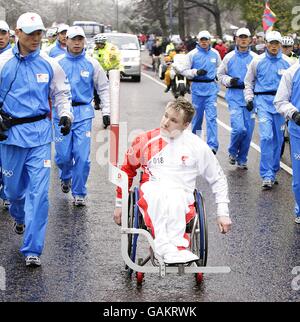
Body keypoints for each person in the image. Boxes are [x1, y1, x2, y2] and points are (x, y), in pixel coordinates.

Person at [113, 98, 231, 264]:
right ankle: (165, 248)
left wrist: (223, 213)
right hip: (152, 189)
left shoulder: (197, 146)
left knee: (176, 198)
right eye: (165, 116)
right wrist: (120, 205)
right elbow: (126, 171)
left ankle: (177, 248)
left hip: (181, 193)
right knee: (159, 195)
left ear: (186, 125)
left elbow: (218, 178)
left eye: (174, 120)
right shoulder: (145, 140)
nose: (166, 122)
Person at [0, 12, 73, 267]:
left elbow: (62, 93)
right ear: (16, 33)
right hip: (10, 135)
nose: (36, 38)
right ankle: (18, 217)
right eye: (30, 33)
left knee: (40, 194)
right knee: (12, 192)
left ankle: (33, 248)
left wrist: (65, 114)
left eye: (39, 33)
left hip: (41, 134)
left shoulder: (49, 62)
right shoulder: (3, 63)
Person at [54, 26, 110, 206]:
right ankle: (65, 176)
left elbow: (103, 88)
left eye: (80, 39)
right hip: (61, 113)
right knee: (63, 156)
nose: (77, 43)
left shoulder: (92, 63)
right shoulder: (57, 62)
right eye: (73, 39)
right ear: (66, 41)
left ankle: (79, 192)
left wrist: (107, 112)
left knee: (81, 155)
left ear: (84, 41)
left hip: (84, 113)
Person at [244, 31, 291, 189]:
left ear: (280, 45)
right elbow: (248, 82)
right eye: (271, 43)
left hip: (280, 106)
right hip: (263, 103)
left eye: (276, 43)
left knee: (278, 141)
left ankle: (273, 170)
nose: (273, 46)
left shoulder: (287, 62)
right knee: (266, 137)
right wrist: (249, 99)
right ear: (266, 43)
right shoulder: (257, 61)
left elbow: (294, 85)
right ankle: (267, 175)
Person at [218, 28, 258, 169]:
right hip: (234, 97)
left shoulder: (255, 58)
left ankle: (242, 159)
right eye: (240, 37)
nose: (243, 40)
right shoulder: (229, 57)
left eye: (245, 37)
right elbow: (220, 75)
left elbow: (260, 77)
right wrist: (230, 81)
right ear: (236, 39)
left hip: (250, 98)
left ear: (250, 40)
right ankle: (233, 152)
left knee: (248, 131)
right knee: (239, 129)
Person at [178, 30, 221, 154]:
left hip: (211, 89)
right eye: (202, 40)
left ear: (209, 40)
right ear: (198, 41)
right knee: (197, 119)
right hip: (197, 89)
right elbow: (183, 70)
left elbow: (220, 67)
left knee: (212, 118)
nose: (204, 42)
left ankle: (212, 146)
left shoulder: (215, 54)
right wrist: (195, 72)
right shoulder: (192, 54)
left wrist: (217, 76)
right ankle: (195, 142)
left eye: (206, 39)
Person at [274, 63, 300, 224]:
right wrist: (294, 113)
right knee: (299, 181)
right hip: (298, 131)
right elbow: (280, 101)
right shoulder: (292, 72)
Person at [0, 20, 12, 209]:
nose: (0, 38)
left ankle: (6, 193)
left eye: (3, 33)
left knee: (6, 160)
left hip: (9, 120)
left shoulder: (14, 57)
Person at [93, 34, 121, 110]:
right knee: (95, 87)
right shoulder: (94, 50)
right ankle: (97, 103)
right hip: (98, 71)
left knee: (108, 88)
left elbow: (117, 60)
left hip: (110, 71)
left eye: (100, 44)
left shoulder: (111, 48)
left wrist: (113, 59)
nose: (98, 45)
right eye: (97, 44)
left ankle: (109, 103)